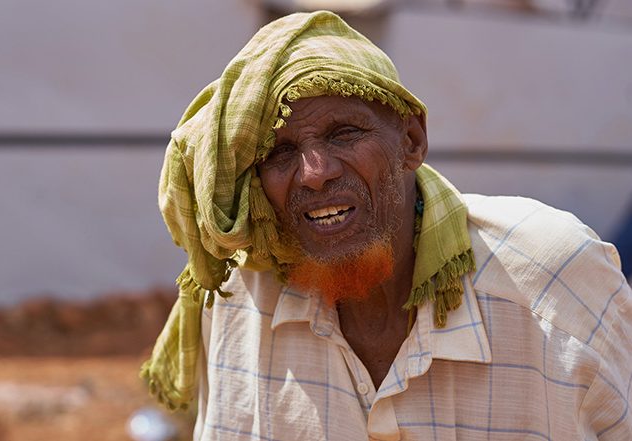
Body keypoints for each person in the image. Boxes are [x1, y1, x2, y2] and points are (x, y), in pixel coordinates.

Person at [142, 10, 632, 440]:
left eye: (344, 134)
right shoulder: (241, 300)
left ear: (412, 140)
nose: (315, 173)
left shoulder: (549, 279)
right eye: (279, 152)